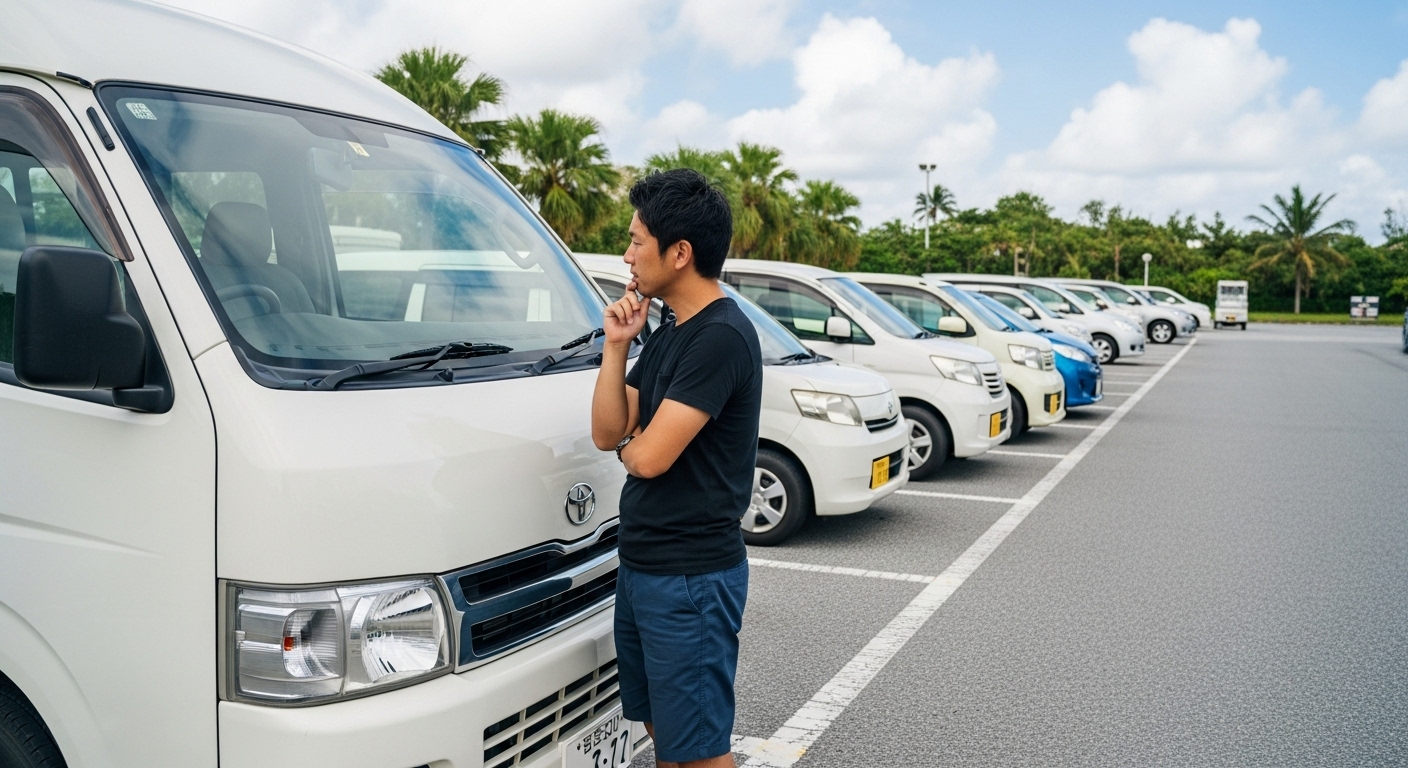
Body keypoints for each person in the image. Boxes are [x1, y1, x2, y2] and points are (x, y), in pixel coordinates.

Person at [591, 169, 762, 768]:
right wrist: (617, 345)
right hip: (644, 565)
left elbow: (649, 457)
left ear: (680, 253)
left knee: (700, 752)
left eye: (638, 241)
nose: (627, 254)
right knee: (665, 729)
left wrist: (634, 447)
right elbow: (611, 431)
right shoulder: (670, 329)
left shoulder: (720, 337)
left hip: (690, 578)